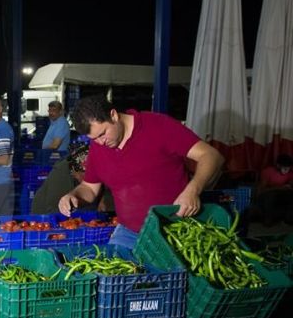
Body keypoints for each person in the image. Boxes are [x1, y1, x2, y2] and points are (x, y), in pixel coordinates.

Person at [58, 95, 224, 249]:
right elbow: (89, 188)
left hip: (174, 229)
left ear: (114, 115)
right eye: (94, 139)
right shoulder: (98, 146)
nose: (101, 142)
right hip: (129, 233)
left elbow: (211, 156)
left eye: (103, 134)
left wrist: (193, 190)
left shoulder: (158, 126)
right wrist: (74, 196)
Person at [31, 143, 113, 214]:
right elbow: (54, 209)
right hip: (47, 215)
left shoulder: (102, 166)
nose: (90, 178)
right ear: (75, 172)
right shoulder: (62, 172)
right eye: (85, 175)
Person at [256, 154, 293, 225]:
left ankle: (288, 219)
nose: (287, 170)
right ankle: (268, 219)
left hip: (282, 194)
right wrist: (280, 188)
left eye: (288, 168)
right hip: (268, 195)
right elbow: (261, 191)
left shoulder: (290, 173)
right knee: (271, 196)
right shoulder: (267, 172)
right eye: (285, 168)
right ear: (278, 165)